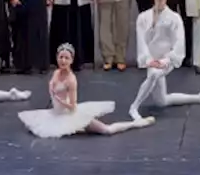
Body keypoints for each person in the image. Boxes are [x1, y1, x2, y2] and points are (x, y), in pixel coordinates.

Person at [127, 0, 200, 119]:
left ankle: (134, 107)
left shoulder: (174, 18)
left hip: (167, 59)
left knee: (154, 74)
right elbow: (141, 41)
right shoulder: (143, 18)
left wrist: (167, 60)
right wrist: (148, 59)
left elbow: (179, 43)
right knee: (161, 101)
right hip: (152, 59)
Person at [19, 43, 156, 137]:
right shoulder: (56, 74)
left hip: (71, 115)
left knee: (106, 130)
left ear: (71, 60)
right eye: (61, 57)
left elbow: (72, 107)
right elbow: (53, 88)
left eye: (66, 58)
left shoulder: (71, 80)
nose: (63, 60)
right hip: (57, 114)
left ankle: (137, 123)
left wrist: (60, 100)